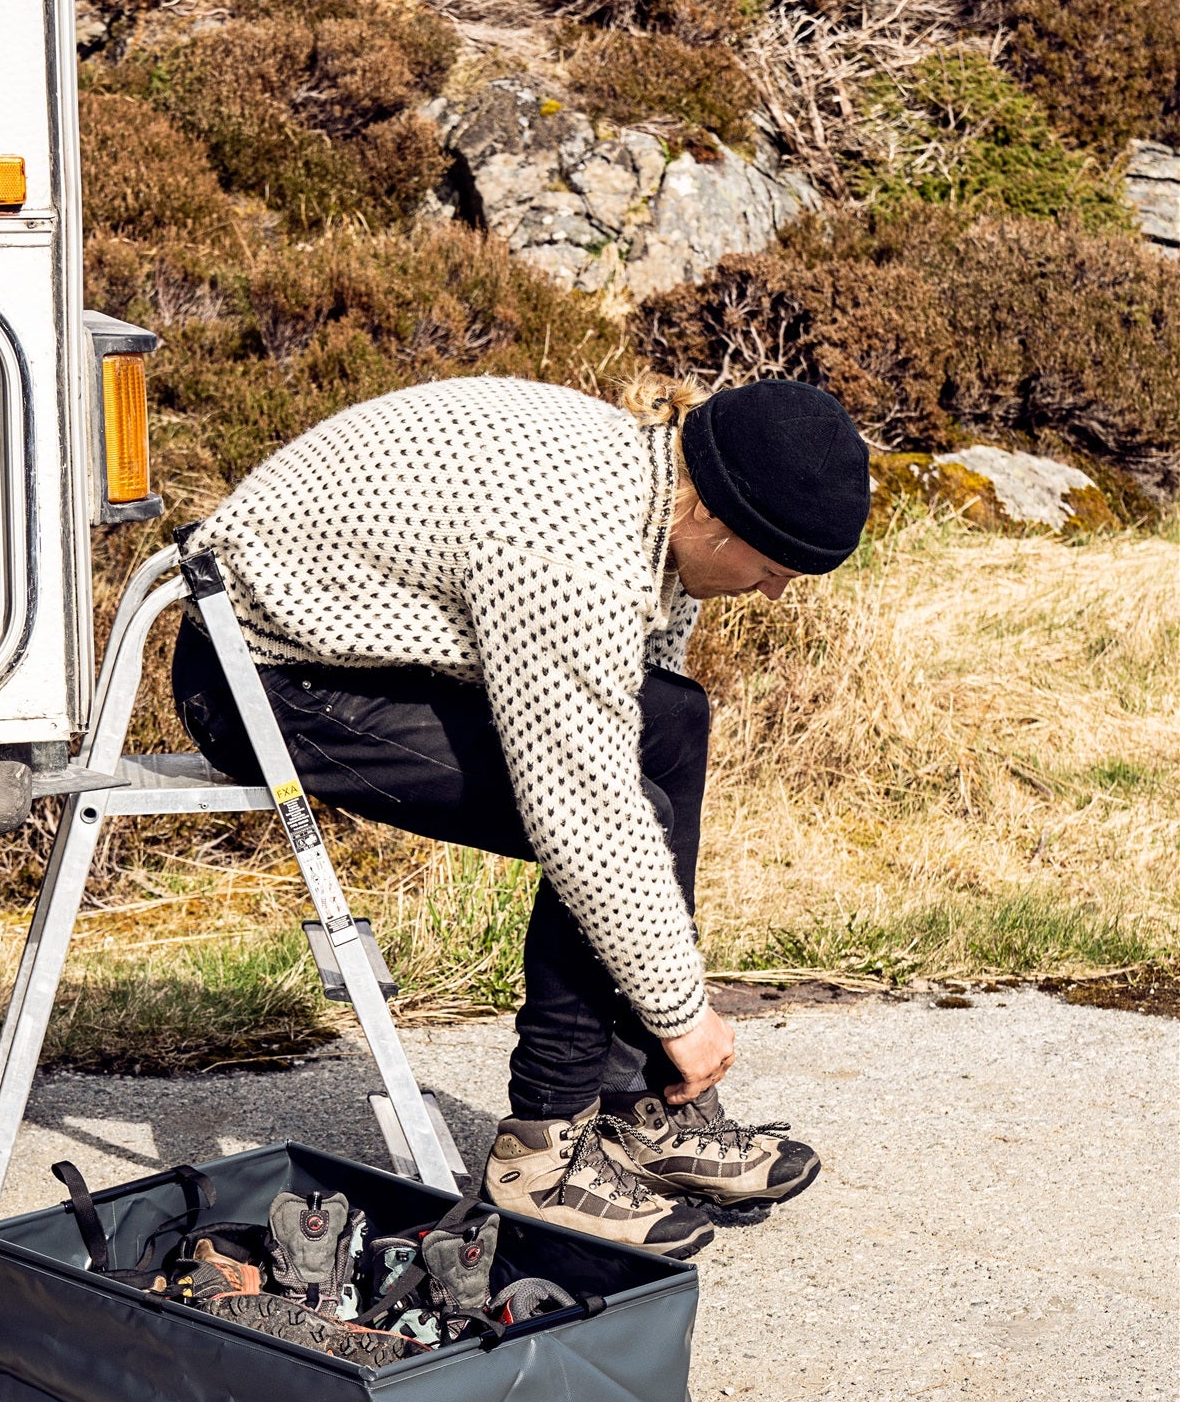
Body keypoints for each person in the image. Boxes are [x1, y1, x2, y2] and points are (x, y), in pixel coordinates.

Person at [173, 371, 871, 1258]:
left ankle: (632, 1112)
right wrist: (681, 1015)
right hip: (259, 681)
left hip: (355, 653)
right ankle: (541, 1153)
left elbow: (638, 702)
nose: (773, 592)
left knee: (676, 723)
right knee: (623, 824)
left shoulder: (655, 489)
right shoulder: (573, 553)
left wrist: (658, 1044)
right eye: (772, 570)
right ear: (716, 524)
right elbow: (588, 821)